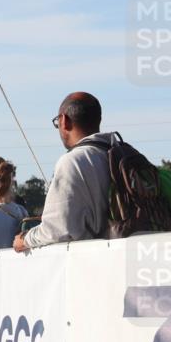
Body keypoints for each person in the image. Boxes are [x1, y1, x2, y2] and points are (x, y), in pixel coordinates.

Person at [14, 92, 112, 252]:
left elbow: (56, 228)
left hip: (93, 263)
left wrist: (24, 239)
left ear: (64, 120)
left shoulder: (73, 161)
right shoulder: (117, 152)